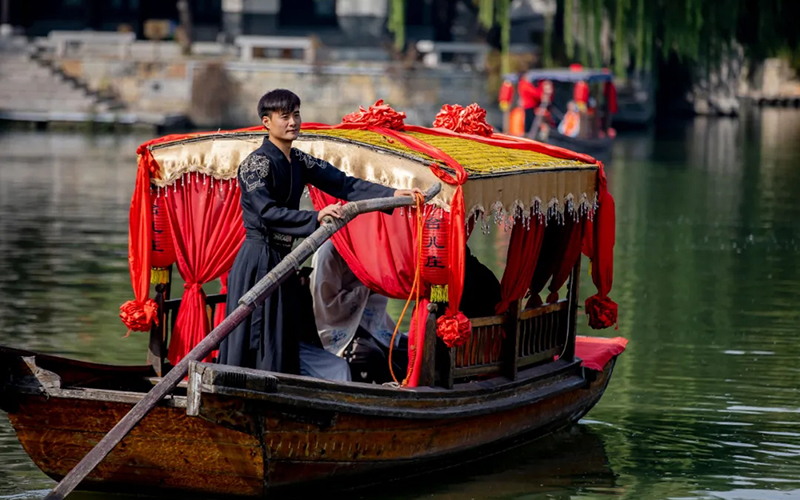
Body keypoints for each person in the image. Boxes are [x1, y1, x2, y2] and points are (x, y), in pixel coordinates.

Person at [218, 89, 421, 373]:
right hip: (257, 260)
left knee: (281, 333)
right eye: (285, 116)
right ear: (266, 122)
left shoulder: (300, 160)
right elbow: (266, 213)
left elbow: (344, 184)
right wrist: (316, 217)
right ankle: (242, 389)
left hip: (284, 259)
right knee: (257, 331)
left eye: (296, 115)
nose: (293, 122)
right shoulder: (255, 164)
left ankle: (281, 388)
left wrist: (393, 194)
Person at [310, 240, 407, 383]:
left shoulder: (369, 245)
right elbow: (328, 307)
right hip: (338, 328)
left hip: (371, 323)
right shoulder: (328, 252)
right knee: (372, 356)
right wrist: (369, 289)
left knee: (410, 352)